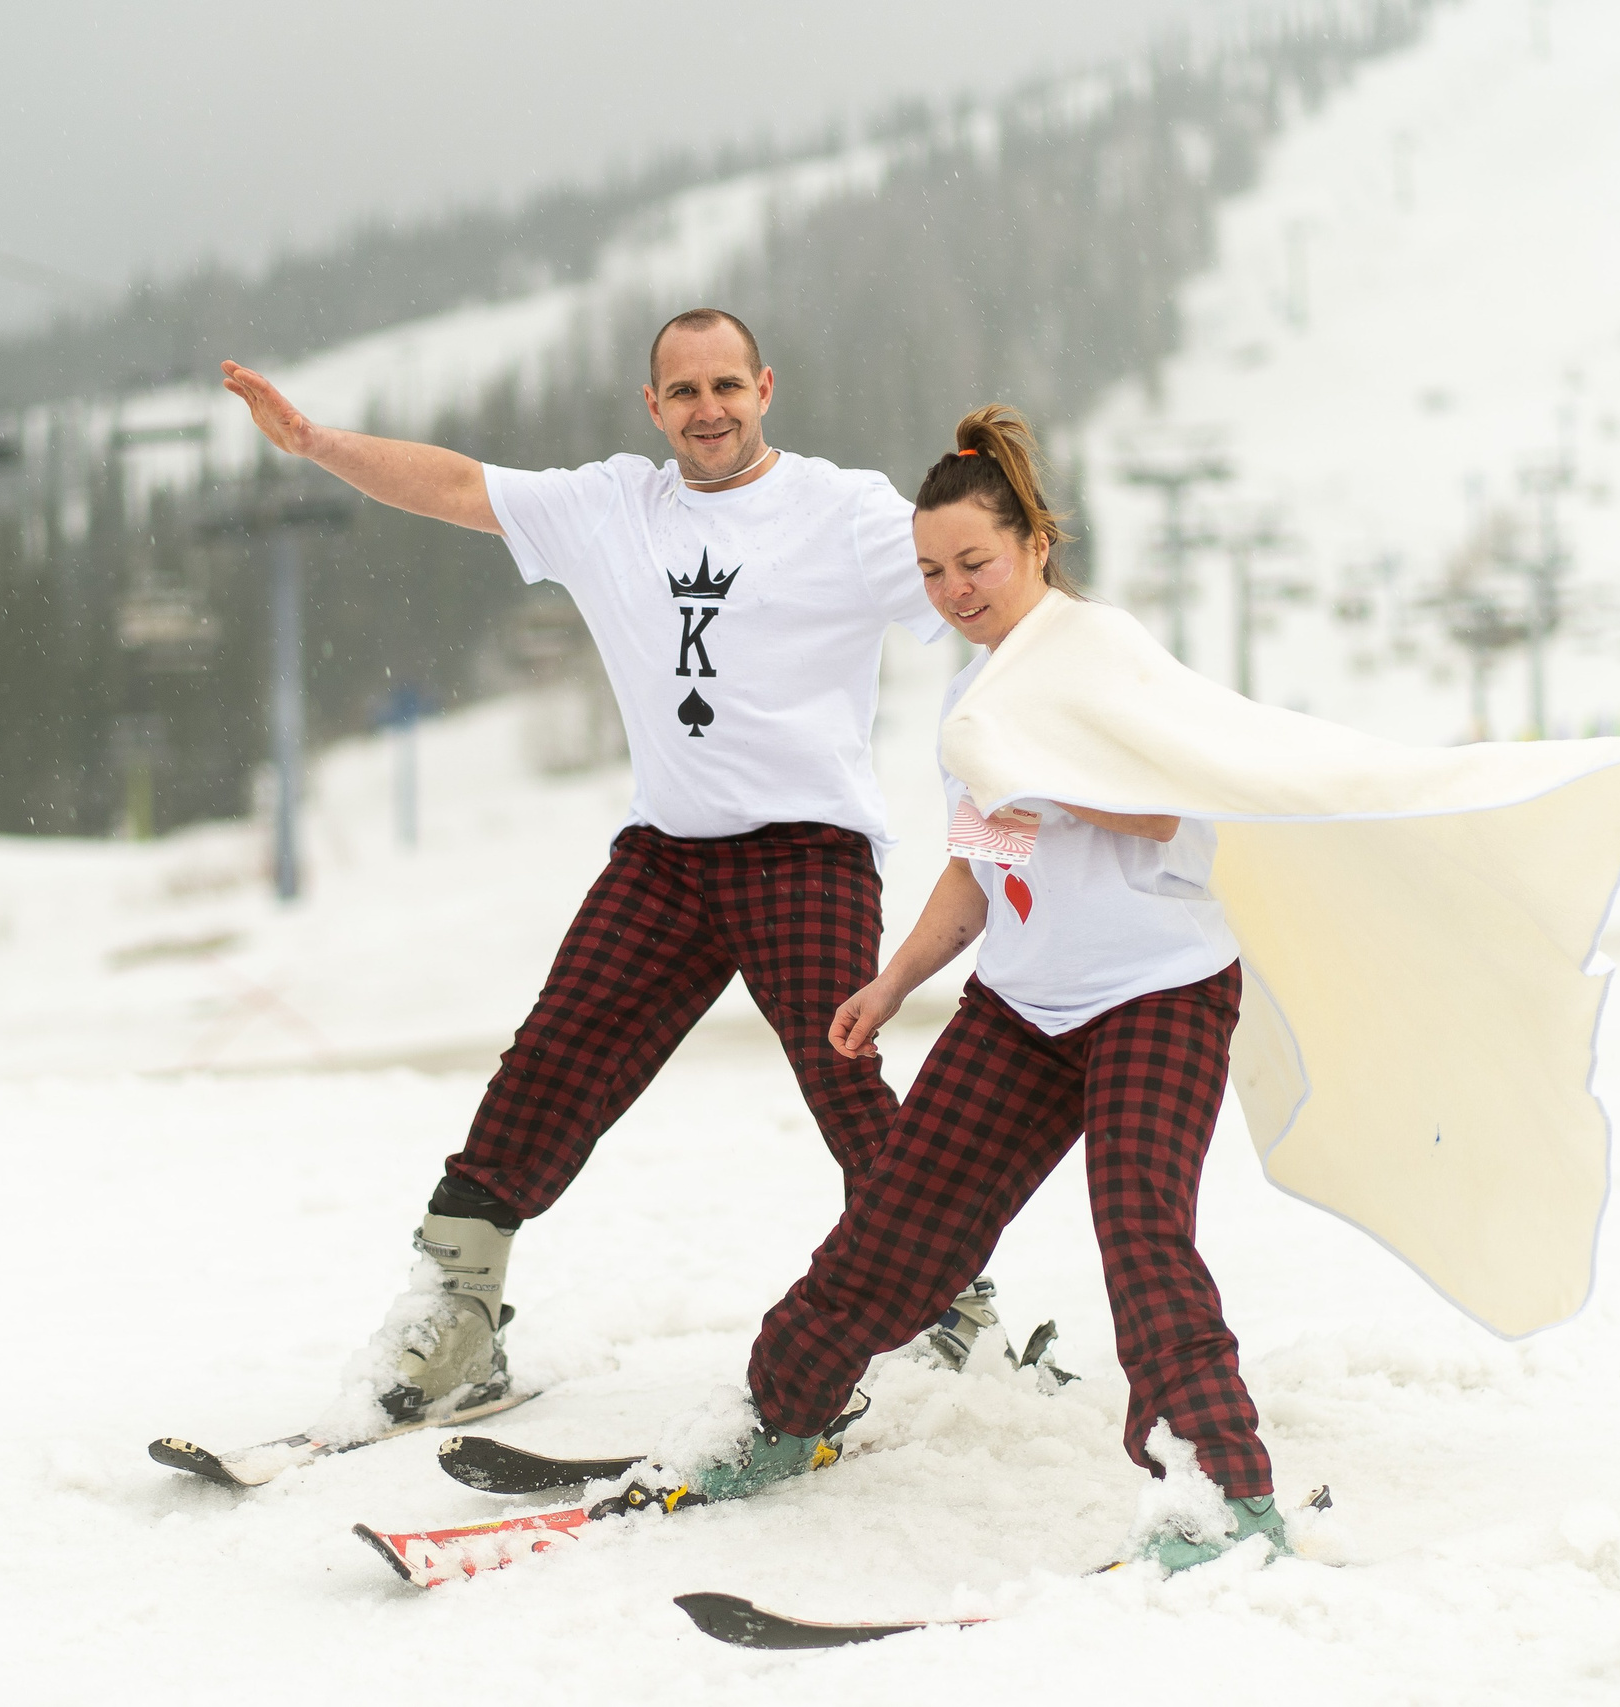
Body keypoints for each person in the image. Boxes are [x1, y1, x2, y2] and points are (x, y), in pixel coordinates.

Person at [219, 309, 1004, 1432]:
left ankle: (946, 1303)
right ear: (653, 408)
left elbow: (976, 591)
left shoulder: (844, 510)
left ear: (766, 387)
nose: (708, 410)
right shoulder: (609, 507)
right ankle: (457, 1312)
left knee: (843, 1077)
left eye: (726, 385)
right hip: (666, 855)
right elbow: (451, 485)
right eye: (683, 393)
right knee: (552, 1060)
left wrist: (1069, 693)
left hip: (806, 847)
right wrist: (317, 445)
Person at [644, 403, 1288, 1574]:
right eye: (931, 570)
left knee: (1140, 1230)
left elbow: (1160, 808)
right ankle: (781, 1417)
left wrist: (1040, 768)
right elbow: (985, 860)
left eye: (974, 562)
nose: (952, 589)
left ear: (1035, 543)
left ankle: (1224, 1494)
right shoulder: (972, 691)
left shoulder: (1104, 651)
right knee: (895, 1229)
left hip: (1157, 992)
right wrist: (891, 982)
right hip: (1023, 1007)